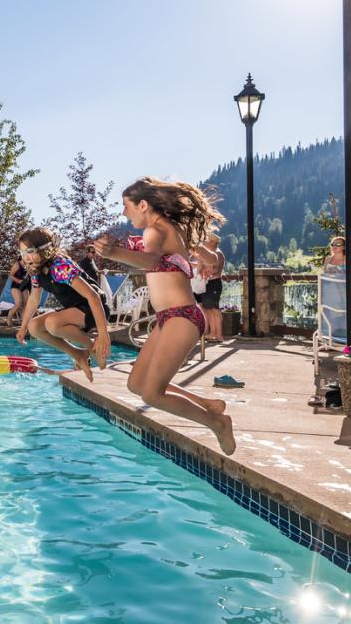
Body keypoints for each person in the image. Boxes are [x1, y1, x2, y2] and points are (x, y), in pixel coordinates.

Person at [93, 177, 237, 456]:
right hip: (170, 318)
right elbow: (213, 259)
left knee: (151, 394)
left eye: (126, 205)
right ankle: (205, 404)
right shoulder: (173, 229)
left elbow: (151, 261)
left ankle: (217, 423)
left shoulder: (155, 229)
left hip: (181, 318)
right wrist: (198, 259)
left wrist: (114, 252)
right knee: (136, 384)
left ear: (143, 205)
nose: (124, 212)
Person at [14, 227, 112, 382]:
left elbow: (93, 296)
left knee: (52, 323)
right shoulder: (36, 270)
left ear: (44, 249)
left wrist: (103, 334)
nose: (25, 257)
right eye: (22, 252)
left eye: (30, 251)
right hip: (74, 309)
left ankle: (93, 349)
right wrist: (23, 327)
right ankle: (78, 354)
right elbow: (33, 300)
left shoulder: (60, 266)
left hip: (94, 307)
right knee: (34, 327)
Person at [194, 231, 225, 341]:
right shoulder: (213, 253)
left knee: (214, 310)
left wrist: (204, 270)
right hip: (209, 283)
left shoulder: (217, 253)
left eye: (206, 241)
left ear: (212, 242)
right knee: (209, 310)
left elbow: (215, 269)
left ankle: (219, 335)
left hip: (214, 283)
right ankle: (213, 333)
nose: (204, 243)